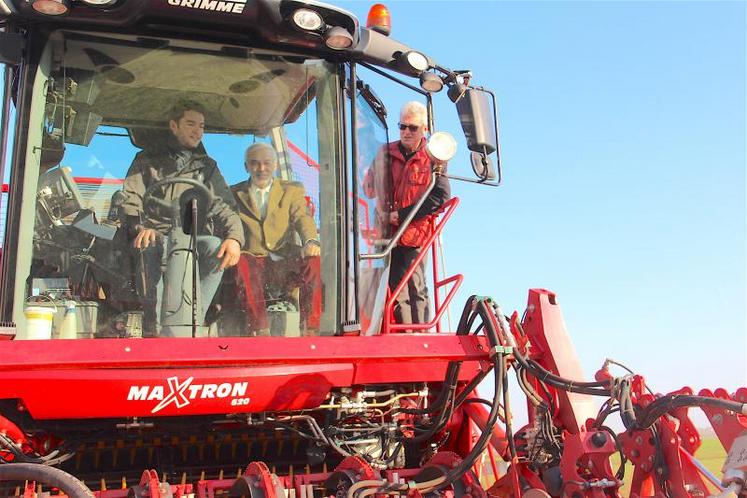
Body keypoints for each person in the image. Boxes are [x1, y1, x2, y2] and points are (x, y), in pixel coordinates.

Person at [122, 99, 244, 336]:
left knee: (215, 247)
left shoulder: (207, 167)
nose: (197, 131)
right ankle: (155, 329)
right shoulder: (146, 160)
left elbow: (224, 206)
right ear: (174, 126)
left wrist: (235, 238)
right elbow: (130, 199)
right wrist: (141, 227)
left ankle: (194, 322)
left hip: (191, 235)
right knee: (150, 246)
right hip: (155, 233)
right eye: (190, 124)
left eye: (201, 126)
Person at [363, 101, 450, 326]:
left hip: (414, 234)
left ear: (424, 129)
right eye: (402, 127)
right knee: (392, 288)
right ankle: (402, 332)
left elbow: (440, 197)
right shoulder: (385, 152)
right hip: (385, 232)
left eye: (412, 128)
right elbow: (368, 189)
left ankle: (419, 333)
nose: (406, 132)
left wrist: (401, 216)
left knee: (414, 287)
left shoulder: (434, 158)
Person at [231, 143, 321, 336]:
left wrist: (310, 241)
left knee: (314, 261)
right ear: (246, 166)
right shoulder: (234, 193)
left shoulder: (292, 190)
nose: (261, 169)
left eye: (266, 163)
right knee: (242, 262)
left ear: (275, 166)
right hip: (255, 260)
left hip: (286, 262)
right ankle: (260, 330)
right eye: (254, 164)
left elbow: (302, 217)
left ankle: (311, 329)